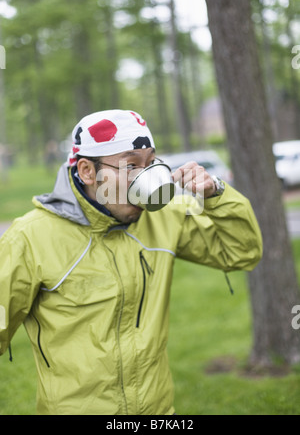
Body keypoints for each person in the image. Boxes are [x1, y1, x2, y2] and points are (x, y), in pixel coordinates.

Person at [0, 109, 263, 415]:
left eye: (150, 163)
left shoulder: (165, 217)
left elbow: (241, 251)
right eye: (130, 165)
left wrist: (215, 193)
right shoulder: (30, 238)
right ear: (87, 171)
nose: (145, 178)